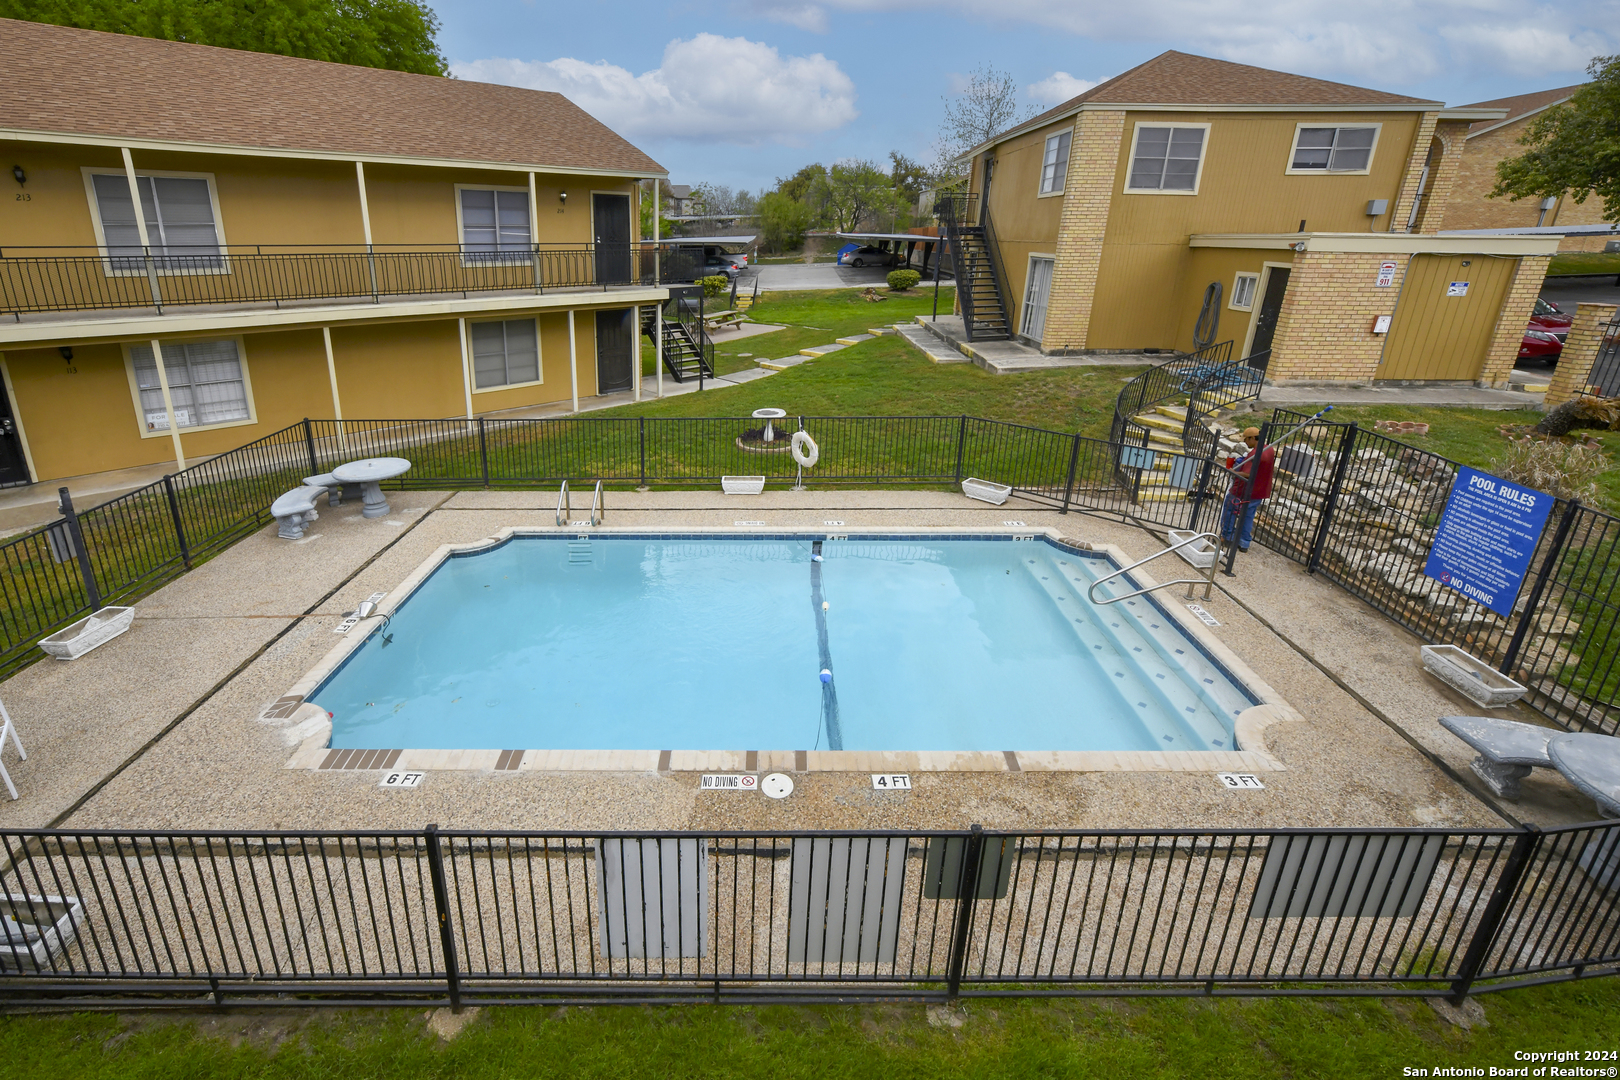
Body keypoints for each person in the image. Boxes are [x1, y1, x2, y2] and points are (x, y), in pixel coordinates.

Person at [1220, 427, 1276, 552]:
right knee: (1248, 516)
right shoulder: (1269, 449)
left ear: (1252, 438)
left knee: (1230, 509)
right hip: (1259, 490)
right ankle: (1244, 543)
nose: (1245, 442)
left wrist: (1233, 471)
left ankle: (1227, 537)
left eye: (1246, 439)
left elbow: (1248, 474)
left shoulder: (1255, 453)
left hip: (1243, 490)